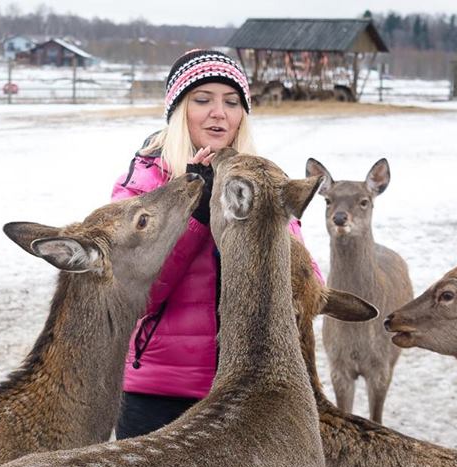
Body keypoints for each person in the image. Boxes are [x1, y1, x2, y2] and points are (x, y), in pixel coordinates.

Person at [110, 49, 321, 439]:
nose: (218, 113)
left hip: (248, 389)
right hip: (159, 392)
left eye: (231, 102)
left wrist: (265, 220)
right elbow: (132, 295)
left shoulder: (263, 180)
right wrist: (194, 215)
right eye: (202, 100)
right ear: (179, 111)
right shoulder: (143, 185)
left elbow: (306, 285)